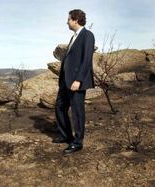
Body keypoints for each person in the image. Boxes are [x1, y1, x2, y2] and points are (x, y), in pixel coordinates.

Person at [53, 9, 95, 154]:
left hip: (76, 81)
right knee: (59, 106)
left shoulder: (87, 35)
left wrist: (78, 80)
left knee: (77, 111)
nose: (67, 22)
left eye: (69, 19)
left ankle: (77, 142)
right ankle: (66, 135)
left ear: (76, 20)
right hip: (65, 81)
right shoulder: (74, 37)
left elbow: (86, 60)